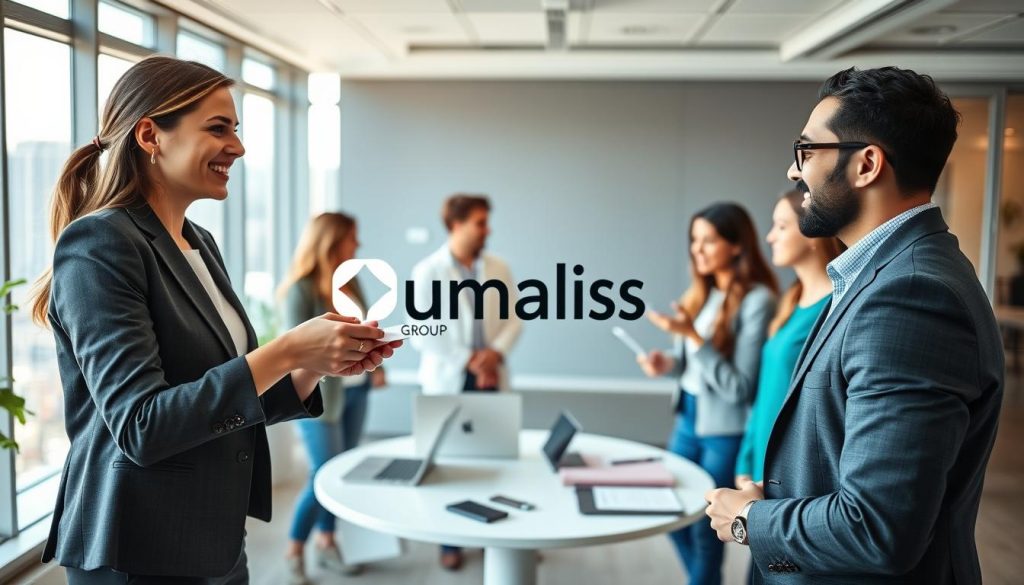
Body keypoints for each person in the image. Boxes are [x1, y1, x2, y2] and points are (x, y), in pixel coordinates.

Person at [31, 56, 401, 584]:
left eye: (236, 129)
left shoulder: (199, 243)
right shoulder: (101, 244)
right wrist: (287, 349)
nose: (239, 147)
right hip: (138, 547)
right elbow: (143, 426)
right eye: (218, 128)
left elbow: (224, 398)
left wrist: (312, 366)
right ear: (150, 136)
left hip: (215, 537)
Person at [704, 67, 1004, 585]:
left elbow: (878, 527)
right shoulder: (880, 276)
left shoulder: (911, 295)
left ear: (866, 164)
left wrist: (749, 519)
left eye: (806, 150)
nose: (794, 170)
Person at [637, 202, 778, 585]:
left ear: (737, 245)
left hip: (723, 430)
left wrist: (693, 337)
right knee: (669, 512)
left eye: (709, 240)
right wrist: (667, 363)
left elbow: (739, 387)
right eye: (694, 240)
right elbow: (696, 365)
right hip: (687, 417)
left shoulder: (758, 301)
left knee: (704, 528)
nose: (697, 249)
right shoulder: (703, 293)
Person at [409, 194, 523, 570]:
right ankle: (450, 540)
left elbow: (514, 319)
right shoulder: (428, 271)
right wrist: (470, 359)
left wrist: (494, 354)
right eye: (480, 223)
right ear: (455, 225)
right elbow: (421, 331)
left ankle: (495, 532)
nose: (487, 230)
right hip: (449, 378)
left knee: (495, 455)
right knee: (449, 462)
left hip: (492, 374)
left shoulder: (498, 267)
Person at [278, 212, 389, 584]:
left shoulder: (352, 282)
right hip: (318, 398)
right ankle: (295, 549)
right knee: (322, 475)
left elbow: (369, 330)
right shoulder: (301, 290)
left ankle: (327, 542)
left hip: (356, 392)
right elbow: (294, 352)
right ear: (332, 241)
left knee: (339, 473)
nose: (358, 244)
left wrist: (379, 364)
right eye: (352, 237)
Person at [734, 190, 841, 489]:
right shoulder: (790, 304)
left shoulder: (834, 309)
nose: (770, 237)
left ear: (812, 232)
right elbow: (766, 393)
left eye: (781, 226)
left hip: (794, 473)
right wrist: (745, 460)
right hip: (761, 462)